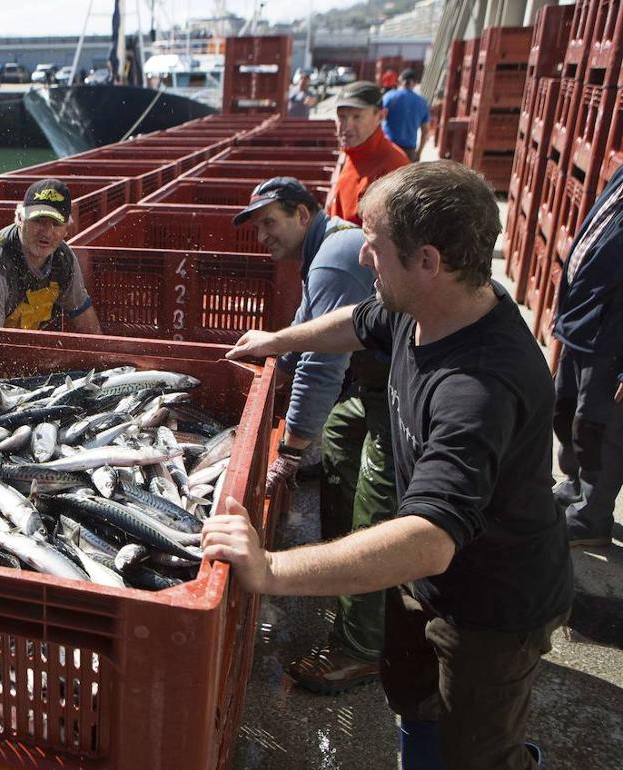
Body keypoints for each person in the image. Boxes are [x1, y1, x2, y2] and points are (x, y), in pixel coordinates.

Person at [205, 161, 573, 769]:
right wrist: (278, 340)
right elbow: (357, 323)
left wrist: (270, 568)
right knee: (410, 698)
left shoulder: (476, 387)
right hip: (425, 585)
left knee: (474, 753)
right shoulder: (420, 306)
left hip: (491, 604)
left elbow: (430, 540)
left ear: (428, 260)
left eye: (373, 246)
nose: (361, 258)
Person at [233, 177, 398, 694]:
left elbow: (320, 369)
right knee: (344, 436)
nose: (262, 235)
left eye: (270, 222)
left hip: (401, 387)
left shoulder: (331, 257)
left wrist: (290, 450)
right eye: (257, 226)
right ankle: (337, 560)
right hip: (375, 382)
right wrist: (265, 372)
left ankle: (360, 649)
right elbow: (302, 337)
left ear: (304, 214)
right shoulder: (325, 252)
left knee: (378, 500)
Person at [552, 164, 623, 547]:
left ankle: (593, 516)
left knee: (602, 430)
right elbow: (588, 244)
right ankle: (574, 485)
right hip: (583, 327)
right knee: (569, 414)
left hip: (614, 343)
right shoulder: (621, 176)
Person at [0, 179, 102, 333]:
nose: (46, 232)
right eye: (38, 221)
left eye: (56, 224)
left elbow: (82, 312)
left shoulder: (64, 258)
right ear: (19, 218)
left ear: (66, 230)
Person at [326, 81, 410, 226]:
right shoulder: (352, 152)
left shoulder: (394, 167)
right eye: (342, 117)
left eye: (357, 117)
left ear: (381, 115)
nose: (346, 126)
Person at [383, 68, 433, 163]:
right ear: (414, 83)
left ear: (400, 81)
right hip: (409, 152)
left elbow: (376, 121)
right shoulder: (422, 102)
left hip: (389, 148)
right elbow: (425, 131)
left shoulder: (389, 97)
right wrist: (419, 153)